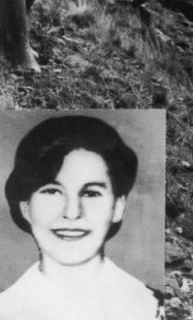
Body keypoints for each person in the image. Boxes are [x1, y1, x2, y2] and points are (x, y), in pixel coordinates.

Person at [0, 115, 162, 319]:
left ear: (118, 207)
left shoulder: (154, 309)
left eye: (91, 193)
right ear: (25, 207)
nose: (72, 212)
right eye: (52, 191)